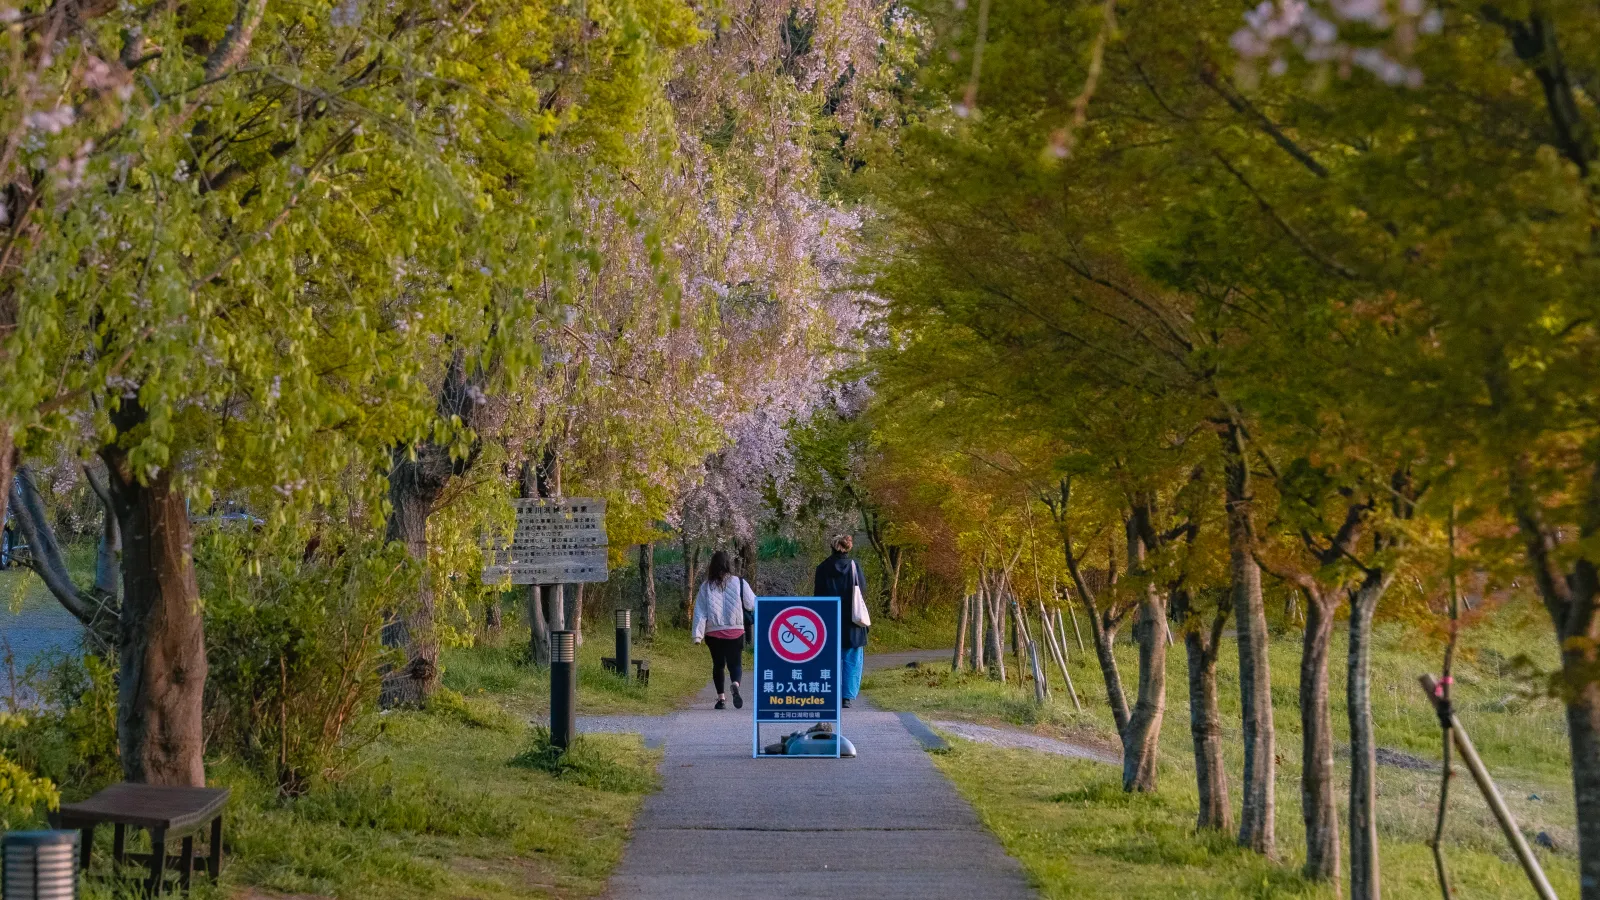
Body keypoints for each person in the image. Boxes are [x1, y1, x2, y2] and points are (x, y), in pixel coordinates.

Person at [692, 550, 756, 710]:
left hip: (714, 633)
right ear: (729, 565)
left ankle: (721, 699)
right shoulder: (739, 582)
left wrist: (697, 636)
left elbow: (700, 611)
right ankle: (735, 683)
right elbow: (751, 604)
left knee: (718, 665)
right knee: (735, 663)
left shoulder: (706, 586)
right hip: (736, 630)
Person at [814, 534, 869, 708]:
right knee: (852, 659)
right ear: (848, 548)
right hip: (852, 620)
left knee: (829, 659)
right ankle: (847, 696)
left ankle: (828, 691)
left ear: (832, 547)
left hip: (829, 620)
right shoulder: (854, 566)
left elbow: (817, 596)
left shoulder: (822, 568)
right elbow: (863, 591)